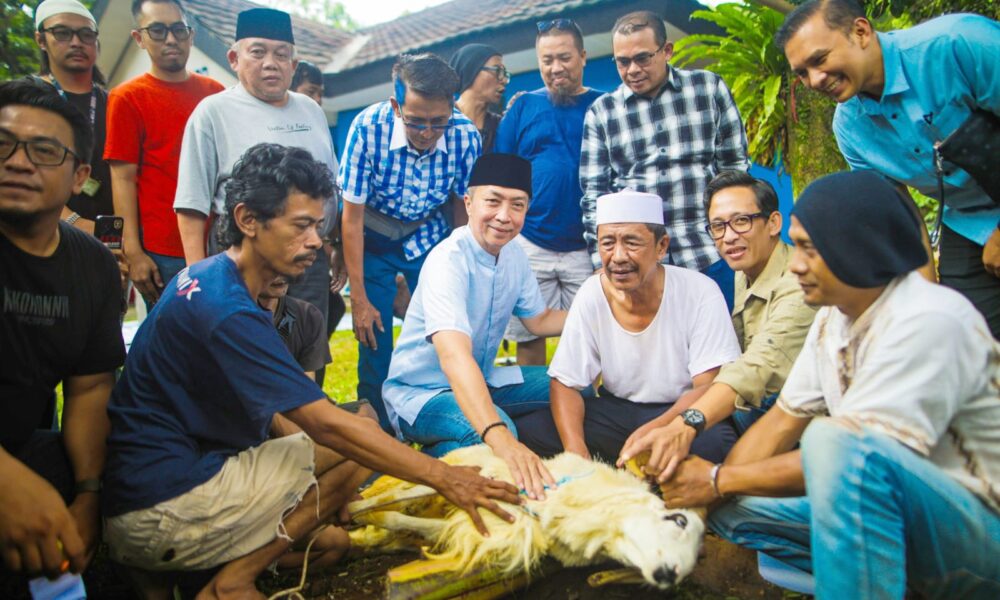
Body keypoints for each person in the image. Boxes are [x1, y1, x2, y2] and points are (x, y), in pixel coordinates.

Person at [102, 143, 520, 598]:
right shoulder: (228, 311)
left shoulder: (211, 278)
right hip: (163, 504)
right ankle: (229, 583)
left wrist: (322, 492)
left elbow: (284, 417)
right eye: (301, 226)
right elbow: (323, 425)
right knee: (356, 442)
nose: (317, 241)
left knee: (334, 534)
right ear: (247, 220)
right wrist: (447, 478)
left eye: (318, 227)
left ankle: (201, 571)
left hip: (160, 485)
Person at [661, 170, 1000, 598]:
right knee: (723, 507)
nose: (797, 264)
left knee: (828, 443)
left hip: (979, 527)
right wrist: (709, 491)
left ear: (858, 246)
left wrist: (714, 478)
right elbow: (781, 421)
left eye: (809, 249)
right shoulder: (833, 319)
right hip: (898, 515)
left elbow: (855, 455)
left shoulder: (927, 319)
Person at [777, 0, 1000, 338]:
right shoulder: (850, 128)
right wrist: (925, 305)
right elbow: (903, 218)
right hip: (968, 221)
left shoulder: (956, 44)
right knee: (964, 336)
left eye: (820, 59)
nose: (815, 79)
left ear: (861, 32)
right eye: (802, 73)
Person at [383, 153, 566, 500]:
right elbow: (453, 356)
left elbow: (539, 321)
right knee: (499, 433)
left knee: (572, 386)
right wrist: (499, 434)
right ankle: (414, 464)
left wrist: (602, 310)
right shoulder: (447, 260)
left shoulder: (514, 255)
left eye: (517, 205)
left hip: (481, 381)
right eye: (493, 201)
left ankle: (476, 442)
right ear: (468, 203)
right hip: (422, 395)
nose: (504, 216)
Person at [0, 80, 125, 580]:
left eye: (44, 150)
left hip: (29, 445)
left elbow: (91, 387)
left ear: (80, 177)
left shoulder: (92, 264)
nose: (17, 161)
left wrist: (89, 494)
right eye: (3, 145)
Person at [516, 191, 741, 465]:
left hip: (680, 412)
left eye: (632, 243)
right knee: (528, 431)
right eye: (607, 243)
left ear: (661, 247)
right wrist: (576, 451)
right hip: (616, 412)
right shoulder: (592, 293)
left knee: (717, 443)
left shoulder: (700, 291)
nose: (618, 256)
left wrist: (659, 428)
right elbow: (565, 382)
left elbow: (708, 388)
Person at [618, 171, 816, 480]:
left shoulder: (799, 284)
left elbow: (757, 367)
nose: (729, 236)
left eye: (741, 221)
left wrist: (684, 423)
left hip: (794, 423)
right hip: (741, 409)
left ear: (774, 223)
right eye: (718, 226)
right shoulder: (732, 274)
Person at [339, 53, 481, 430]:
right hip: (373, 241)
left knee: (444, 330)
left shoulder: (466, 135)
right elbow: (350, 218)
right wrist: (359, 299)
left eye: (438, 123)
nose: (427, 133)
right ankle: (379, 433)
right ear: (395, 105)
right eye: (416, 121)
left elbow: (460, 210)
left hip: (430, 237)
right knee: (375, 337)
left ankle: (445, 416)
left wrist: (458, 274)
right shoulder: (367, 128)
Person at [173, 7, 337, 331]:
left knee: (305, 348)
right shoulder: (212, 112)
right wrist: (200, 277)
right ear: (234, 58)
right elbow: (191, 205)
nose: (270, 63)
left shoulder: (310, 110)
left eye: (281, 54)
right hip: (243, 259)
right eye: (257, 52)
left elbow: (330, 188)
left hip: (308, 257)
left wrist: (335, 245)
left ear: (293, 64)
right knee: (243, 349)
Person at [579, 10, 749, 308]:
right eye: (622, 61)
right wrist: (600, 260)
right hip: (637, 265)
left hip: (709, 252)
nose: (632, 69)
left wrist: (734, 238)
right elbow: (595, 196)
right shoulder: (602, 113)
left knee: (727, 345)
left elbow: (736, 171)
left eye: (643, 58)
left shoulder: (708, 89)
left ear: (667, 51)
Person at [496, 18, 604, 366]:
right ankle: (536, 410)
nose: (555, 68)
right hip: (530, 242)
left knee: (596, 334)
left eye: (564, 58)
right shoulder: (524, 106)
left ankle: (594, 409)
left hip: (586, 245)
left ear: (583, 56)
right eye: (547, 60)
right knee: (530, 334)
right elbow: (502, 171)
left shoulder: (606, 106)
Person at [105, 0, 224, 305]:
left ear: (191, 35)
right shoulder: (127, 98)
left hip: (220, 243)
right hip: (163, 253)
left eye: (178, 30)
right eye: (157, 30)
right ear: (138, 38)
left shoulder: (215, 93)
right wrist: (133, 251)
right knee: (177, 344)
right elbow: (122, 179)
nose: (171, 39)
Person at [31, 0, 113, 235]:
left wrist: (117, 238)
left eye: (86, 34)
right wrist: (75, 222)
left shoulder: (114, 102)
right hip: (44, 233)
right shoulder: (24, 100)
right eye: (62, 33)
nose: (76, 42)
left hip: (110, 238)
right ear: (41, 39)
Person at [290, 59, 347, 385]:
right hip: (283, 257)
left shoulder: (317, 125)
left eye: (320, 93)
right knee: (289, 330)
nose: (317, 100)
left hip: (315, 254)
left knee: (316, 323)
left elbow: (331, 190)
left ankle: (313, 401)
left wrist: (333, 243)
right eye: (310, 91)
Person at [258, 275, 331, 382]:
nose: (280, 274)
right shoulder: (232, 316)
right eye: (270, 265)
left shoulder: (307, 315)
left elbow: (307, 388)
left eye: (286, 264)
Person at [450, 44, 507, 153]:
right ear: (471, 71)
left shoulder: (500, 126)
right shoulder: (441, 120)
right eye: (497, 71)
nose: (503, 80)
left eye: (504, 74)